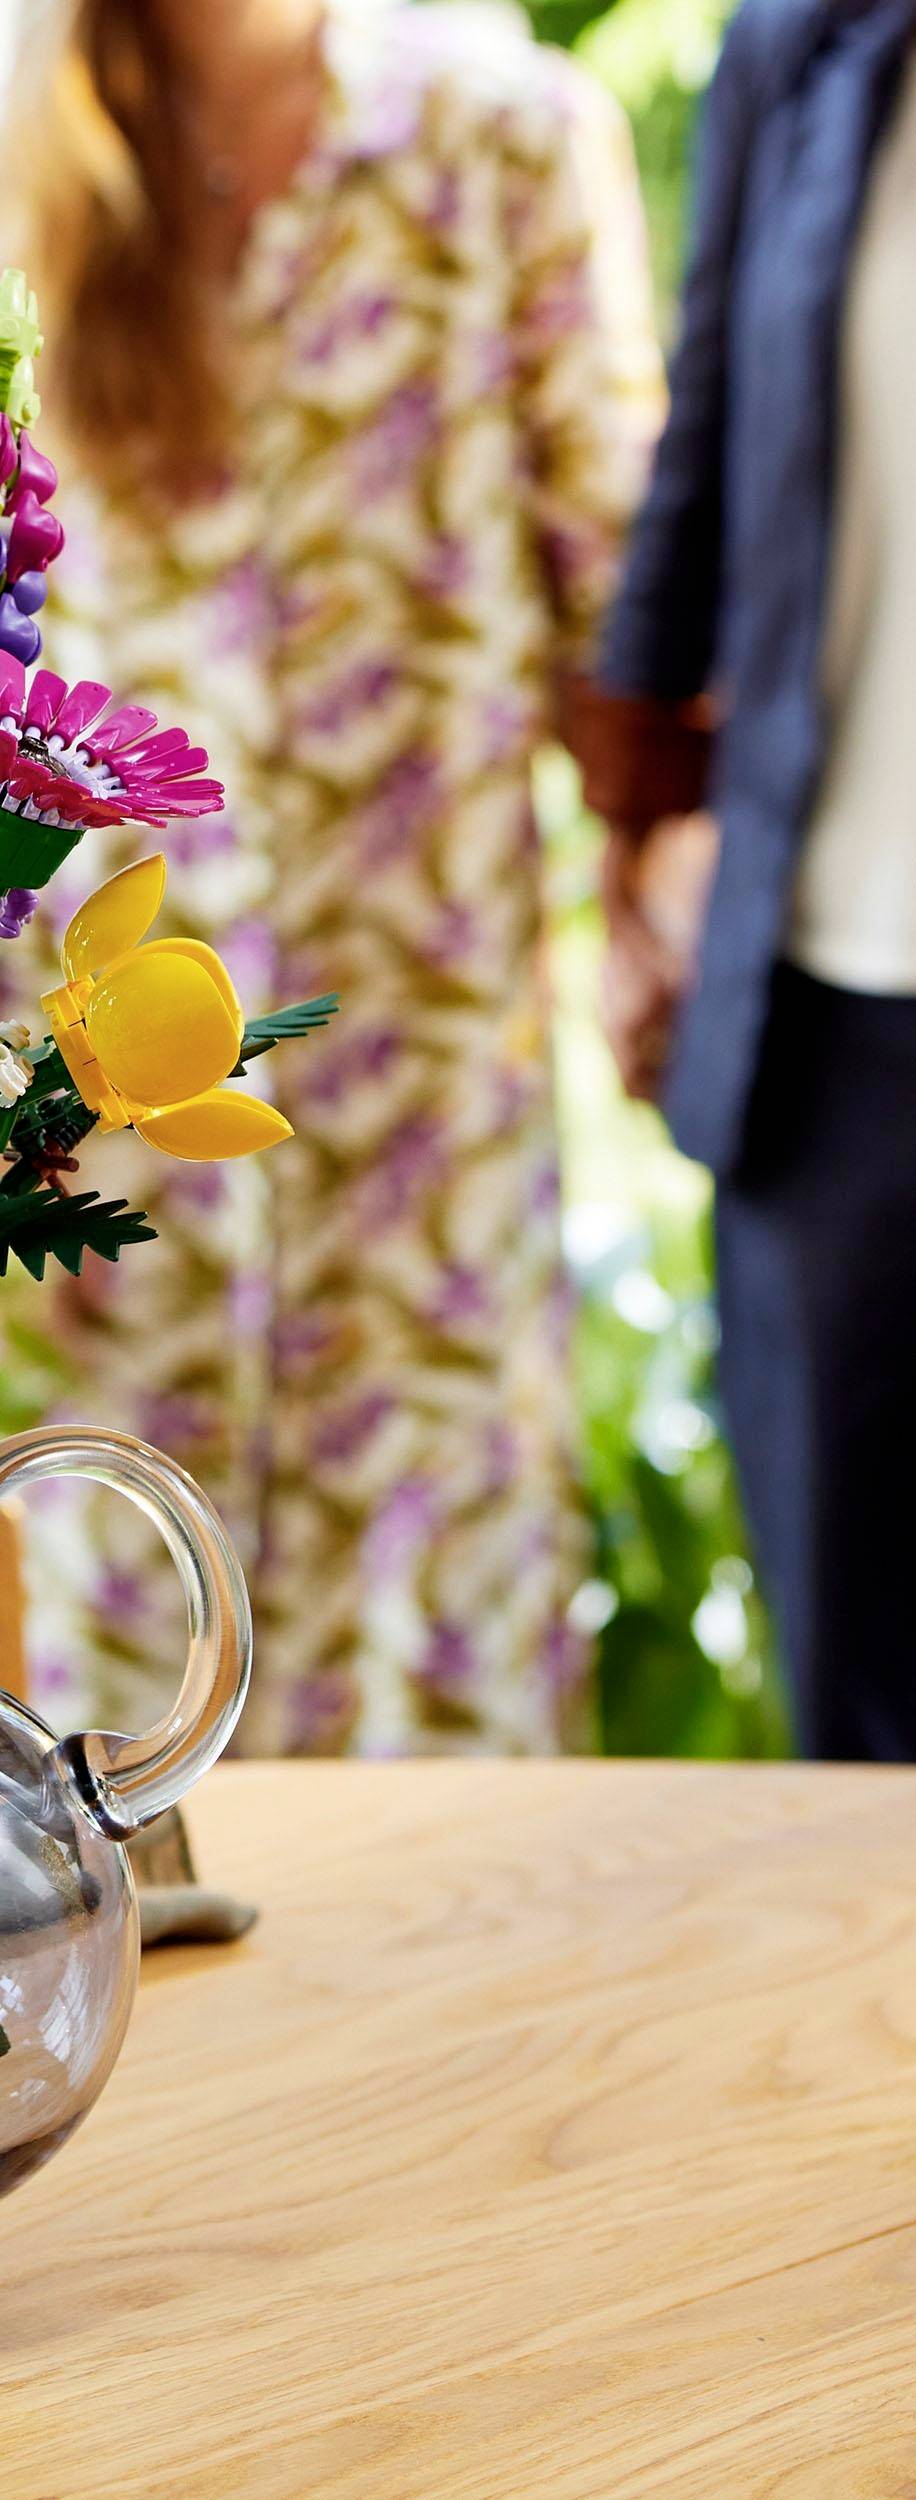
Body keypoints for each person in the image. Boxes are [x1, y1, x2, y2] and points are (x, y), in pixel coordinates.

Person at [0, 0, 662, 1752]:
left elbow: (625, 629)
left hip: (419, 1116)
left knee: (441, 1745)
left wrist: (665, 905)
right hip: (72, 1105)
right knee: (67, 1735)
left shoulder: (504, 141)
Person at [592, 0, 916, 1760]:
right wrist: (637, 846)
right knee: (860, 1732)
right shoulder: (809, 46)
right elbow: (702, 465)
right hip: (832, 1012)